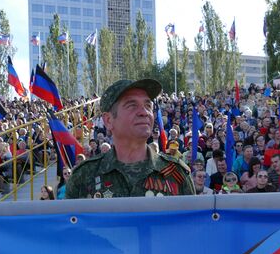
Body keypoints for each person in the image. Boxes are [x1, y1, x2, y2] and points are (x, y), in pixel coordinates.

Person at [66, 79, 195, 198]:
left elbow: (193, 222)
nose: (144, 112)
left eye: (148, 105)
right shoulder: (83, 176)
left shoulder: (176, 174)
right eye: (132, 105)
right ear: (108, 120)